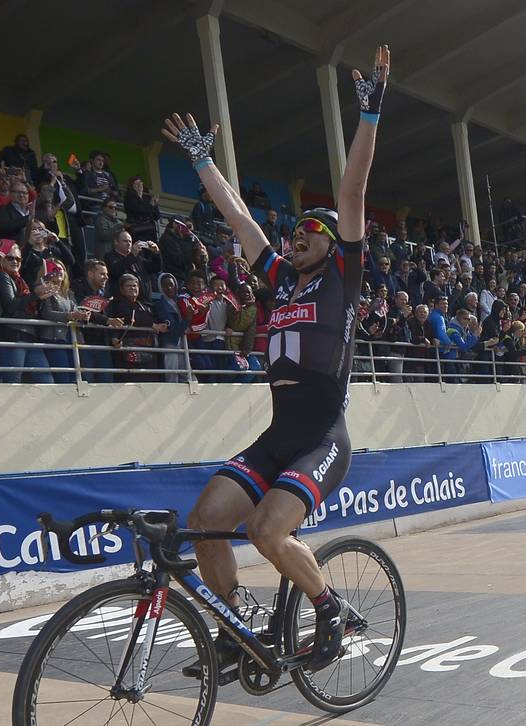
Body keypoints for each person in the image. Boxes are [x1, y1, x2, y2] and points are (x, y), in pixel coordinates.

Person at [164, 44, 388, 675]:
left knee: (266, 531)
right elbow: (238, 219)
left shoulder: (343, 273)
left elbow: (352, 189)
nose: (299, 236)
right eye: (297, 231)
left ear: (332, 240)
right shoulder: (283, 279)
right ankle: (238, 630)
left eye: (312, 230)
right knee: (206, 521)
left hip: (322, 437)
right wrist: (204, 163)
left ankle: (331, 610)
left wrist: (368, 115)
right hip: (276, 436)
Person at [0, 244, 54, 383]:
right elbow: (10, 305)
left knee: (46, 381)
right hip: (13, 335)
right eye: (9, 258)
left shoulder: (19, 279)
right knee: (12, 382)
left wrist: (40, 297)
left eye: (18, 259)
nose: (14, 261)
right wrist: (35, 295)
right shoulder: (2, 275)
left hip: (28, 335)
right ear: (1, 260)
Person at [105, 273, 163, 381]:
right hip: (127, 355)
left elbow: (150, 317)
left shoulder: (144, 305)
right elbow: (129, 316)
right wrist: (152, 324)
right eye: (129, 286)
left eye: (135, 285)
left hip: (148, 355)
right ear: (121, 289)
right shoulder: (117, 304)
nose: (133, 288)